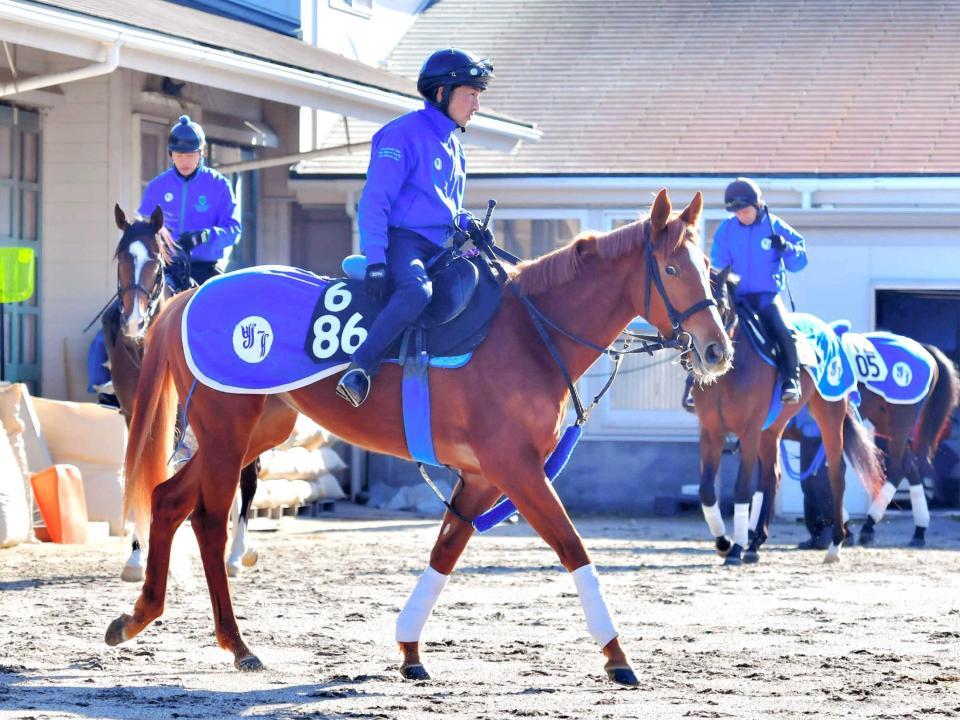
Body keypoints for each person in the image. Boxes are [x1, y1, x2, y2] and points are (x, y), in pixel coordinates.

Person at [336, 48, 494, 408]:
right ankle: (360, 369)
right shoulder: (401, 135)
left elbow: (446, 207)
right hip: (403, 244)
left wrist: (470, 224)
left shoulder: (455, 148)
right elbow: (375, 202)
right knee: (416, 293)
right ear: (442, 94)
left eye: (477, 96)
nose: (476, 106)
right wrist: (376, 259)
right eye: (471, 95)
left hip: (440, 246)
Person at [683, 177, 807, 411]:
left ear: (758, 205)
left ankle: (791, 381)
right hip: (735, 296)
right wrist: (724, 281)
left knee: (783, 332)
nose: (741, 215)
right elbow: (719, 261)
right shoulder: (726, 229)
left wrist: (786, 249)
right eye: (737, 211)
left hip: (765, 297)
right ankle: (693, 385)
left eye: (745, 210)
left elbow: (799, 262)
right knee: (706, 330)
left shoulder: (774, 225)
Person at [138, 115, 241, 289]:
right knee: (114, 314)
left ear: (201, 153)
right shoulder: (157, 187)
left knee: (230, 308)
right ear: (171, 154)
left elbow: (234, 230)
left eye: (191, 155)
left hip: (205, 271)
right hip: (164, 268)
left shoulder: (219, 185)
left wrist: (205, 235)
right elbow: (143, 226)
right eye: (179, 155)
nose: (184, 161)